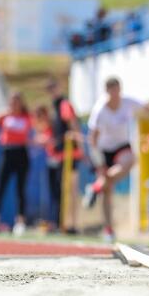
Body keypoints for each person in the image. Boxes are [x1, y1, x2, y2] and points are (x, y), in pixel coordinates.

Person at [84, 77, 149, 242]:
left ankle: (96, 186)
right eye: (113, 91)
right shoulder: (100, 110)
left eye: (118, 90)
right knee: (107, 190)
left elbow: (147, 108)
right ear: (107, 92)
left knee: (131, 160)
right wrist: (99, 163)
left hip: (122, 146)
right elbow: (93, 139)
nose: (116, 95)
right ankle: (109, 229)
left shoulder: (128, 102)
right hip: (104, 150)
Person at [0, 92, 32, 236]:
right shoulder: (6, 116)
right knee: (0, 187)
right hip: (7, 152)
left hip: (21, 153)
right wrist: (4, 112)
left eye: (17, 101)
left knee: (20, 189)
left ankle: (20, 222)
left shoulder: (26, 117)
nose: (14, 104)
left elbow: (35, 129)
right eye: (12, 102)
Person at [45, 78, 83, 234]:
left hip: (70, 154)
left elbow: (73, 124)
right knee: (58, 189)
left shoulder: (64, 104)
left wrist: (80, 148)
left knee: (69, 189)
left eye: (53, 87)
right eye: (49, 88)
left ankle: (70, 224)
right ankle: (59, 222)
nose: (51, 91)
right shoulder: (54, 106)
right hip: (59, 154)